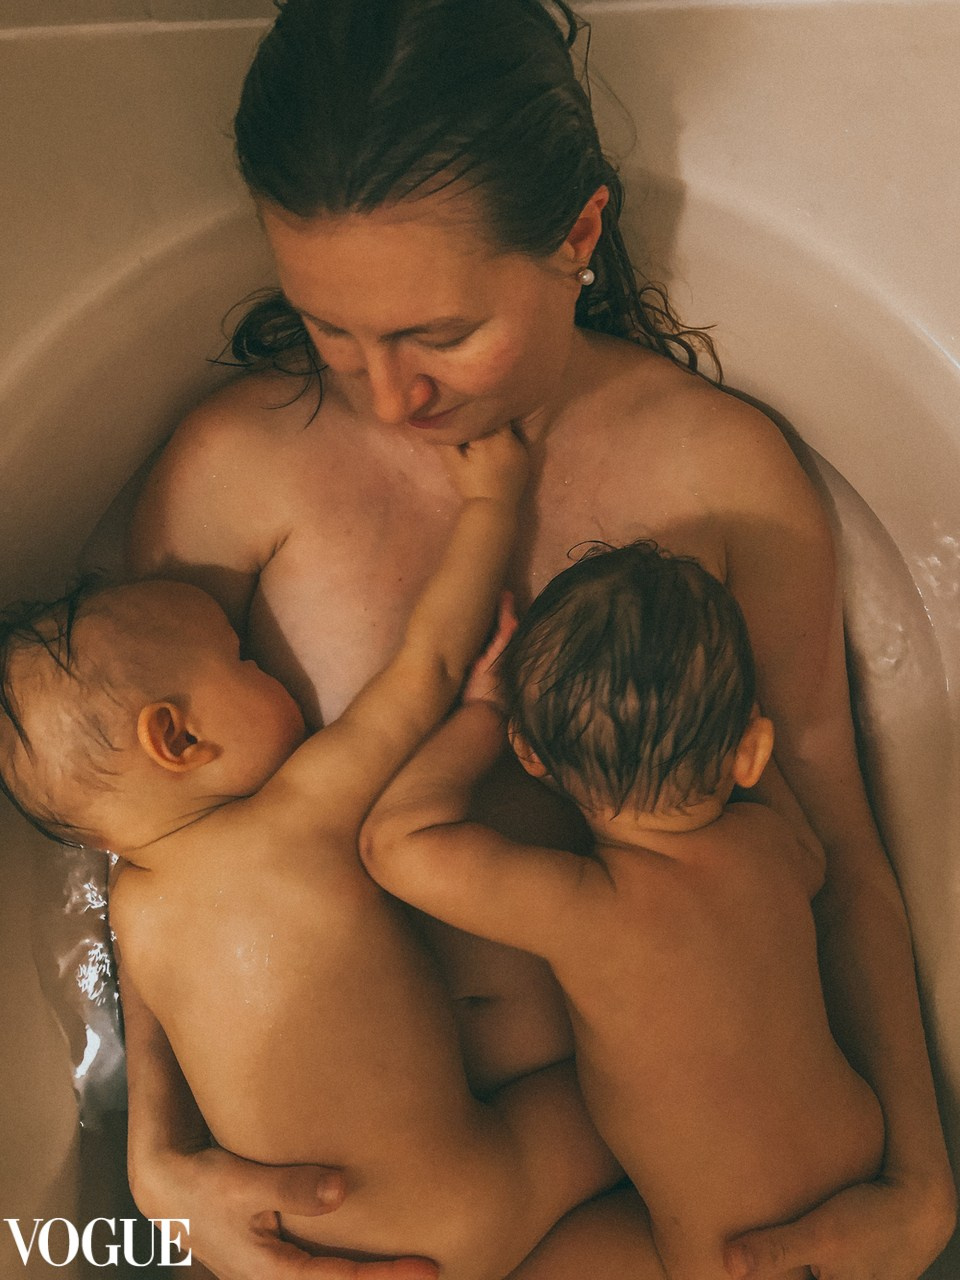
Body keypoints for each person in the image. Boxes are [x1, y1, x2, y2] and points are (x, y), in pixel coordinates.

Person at [121, 0, 956, 1277]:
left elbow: (837, 848)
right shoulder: (233, 476)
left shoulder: (721, 475)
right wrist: (158, 1153)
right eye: (333, 329)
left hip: (662, 1180)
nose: (389, 396)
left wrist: (919, 1178)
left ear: (576, 236)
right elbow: (146, 825)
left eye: (438, 335)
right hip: (361, 1193)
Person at [0, 431, 627, 1278]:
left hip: (305, 1241)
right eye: (244, 659)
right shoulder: (297, 815)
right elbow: (430, 662)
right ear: (178, 738)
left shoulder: (135, 909)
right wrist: (491, 508)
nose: (268, 670)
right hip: (477, 1197)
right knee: (644, 1097)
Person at [362, 539, 887, 1280]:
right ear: (751, 749)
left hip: (720, 1248)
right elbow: (818, 858)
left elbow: (396, 845)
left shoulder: (586, 907)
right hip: (861, 1169)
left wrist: (481, 714)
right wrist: (747, 749)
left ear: (533, 757)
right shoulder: (777, 849)